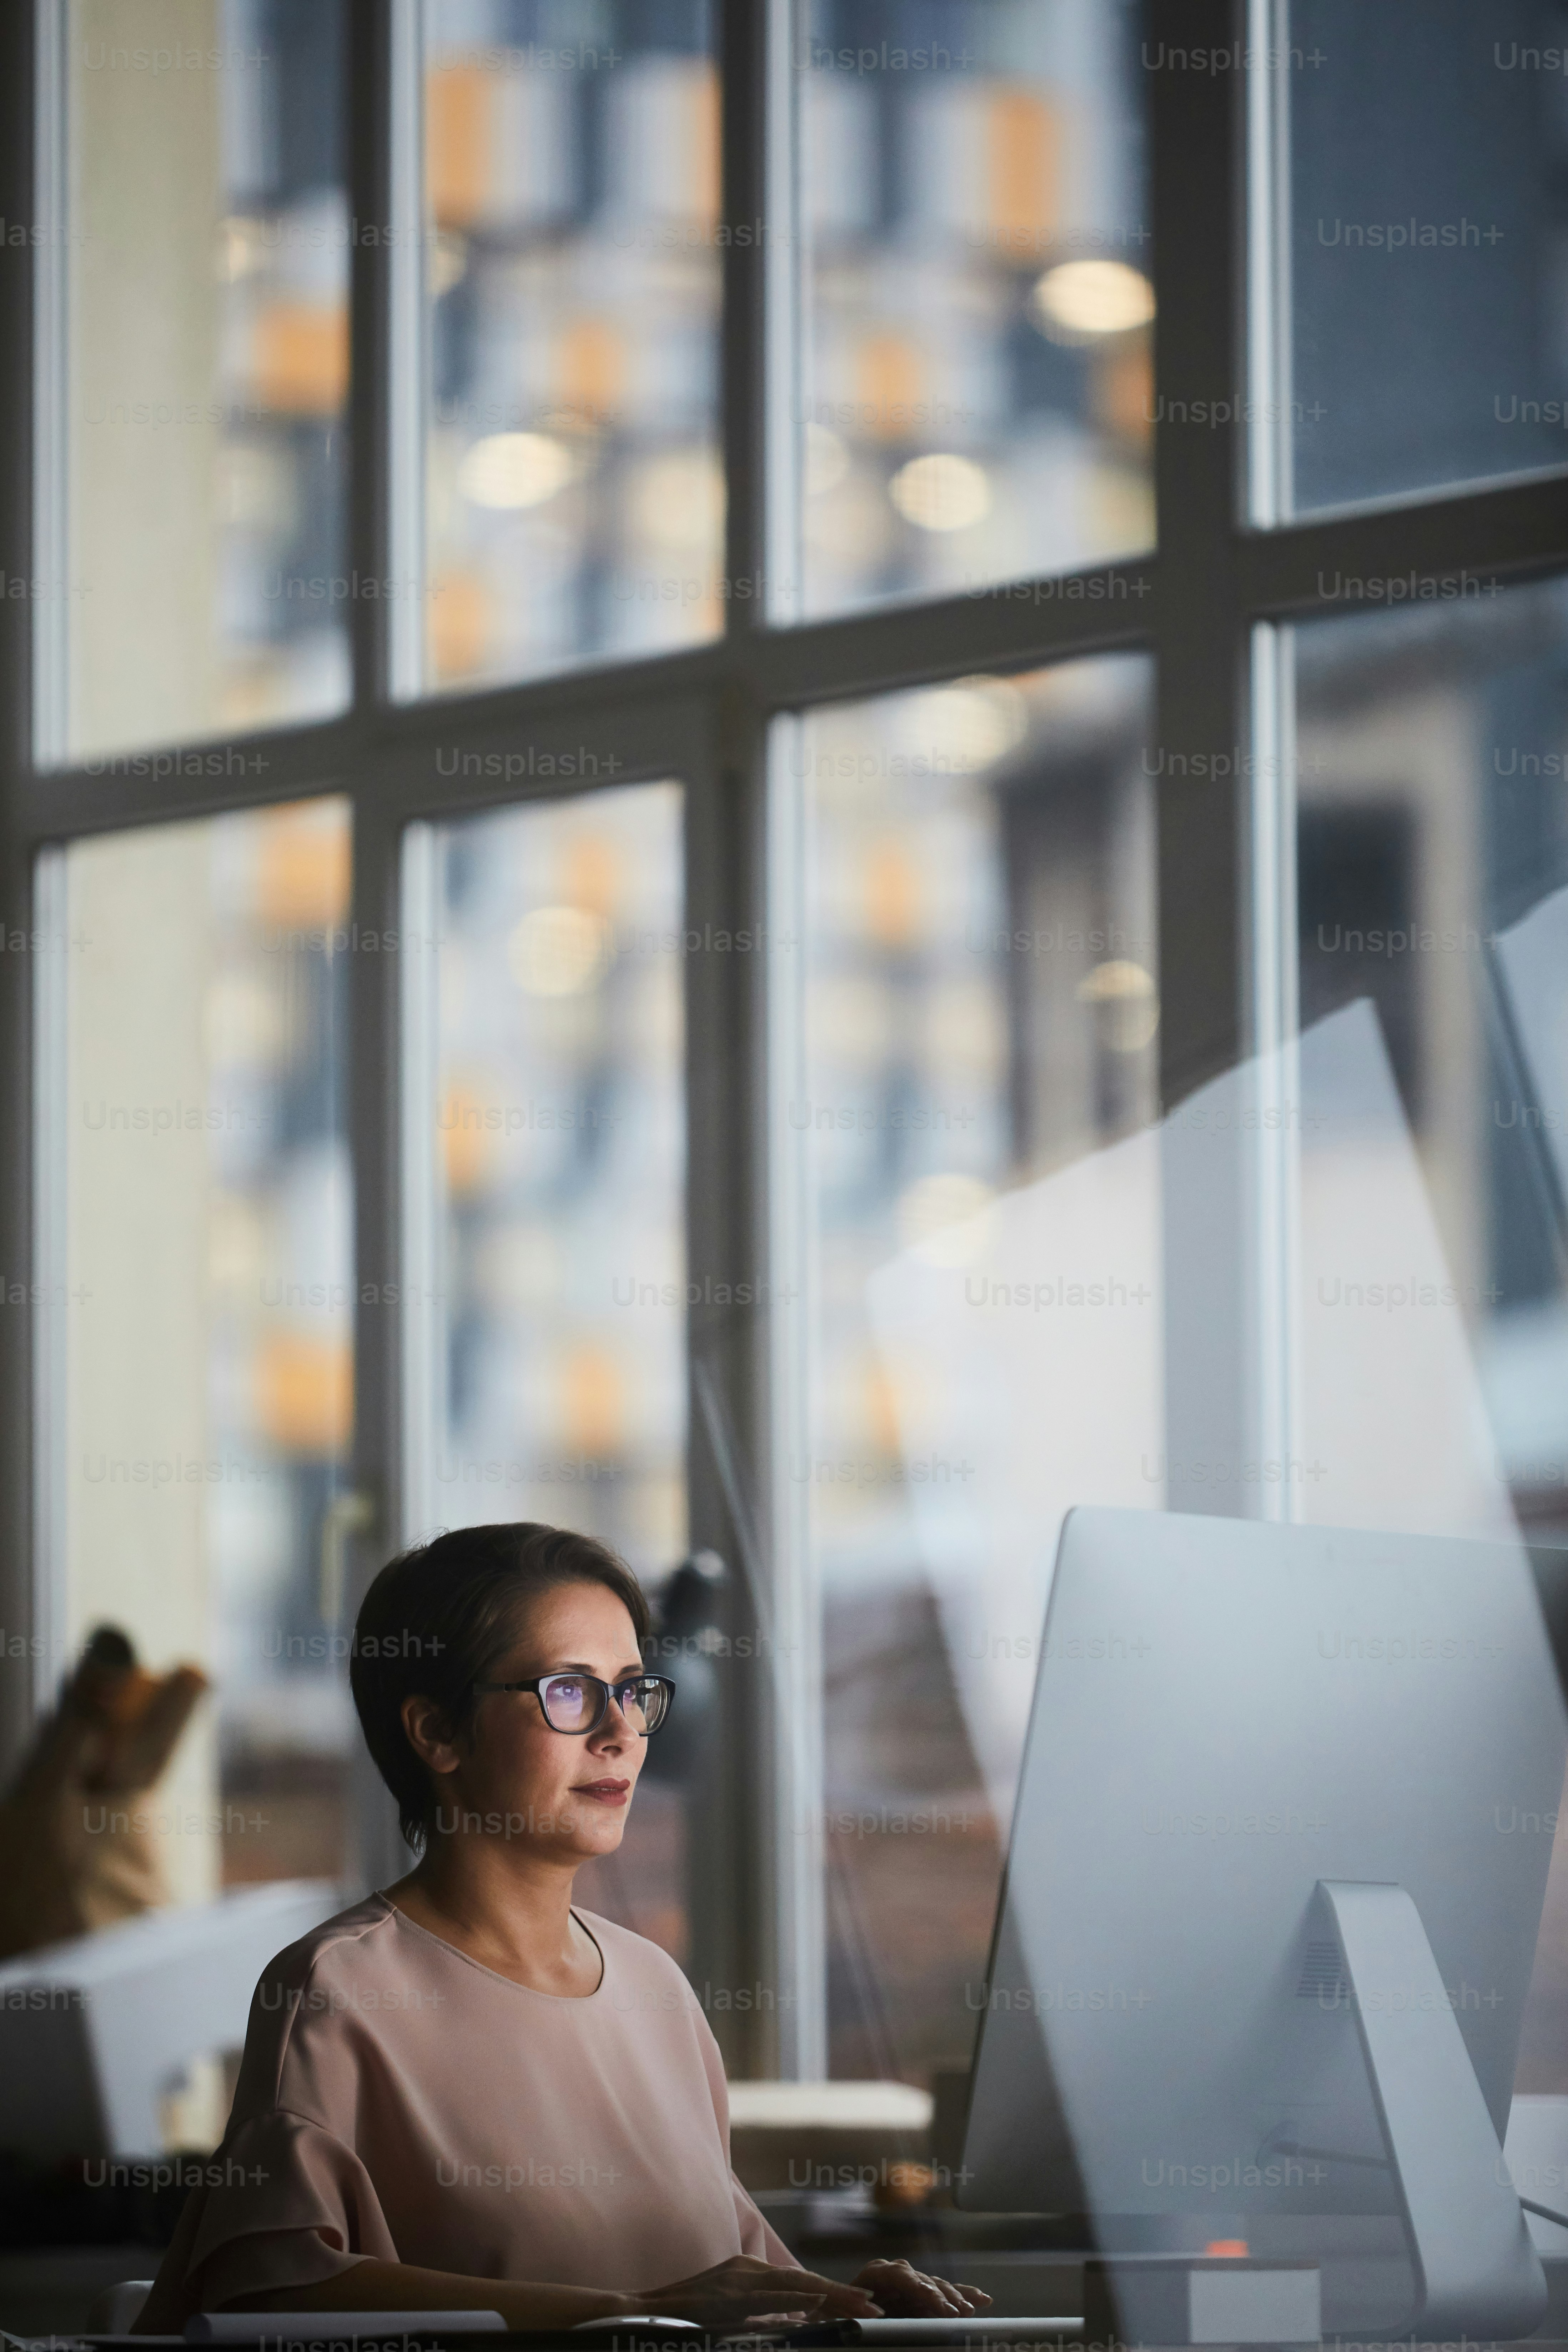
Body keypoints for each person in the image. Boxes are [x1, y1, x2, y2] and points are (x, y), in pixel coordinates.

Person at [134, 1523, 992, 2333]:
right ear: (436, 1731)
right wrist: (624, 2311)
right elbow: (268, 2294)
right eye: (571, 1692)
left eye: (632, 1690)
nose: (622, 1731)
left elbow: (727, 2281)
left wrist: (846, 2303)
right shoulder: (337, 1992)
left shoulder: (655, 1986)